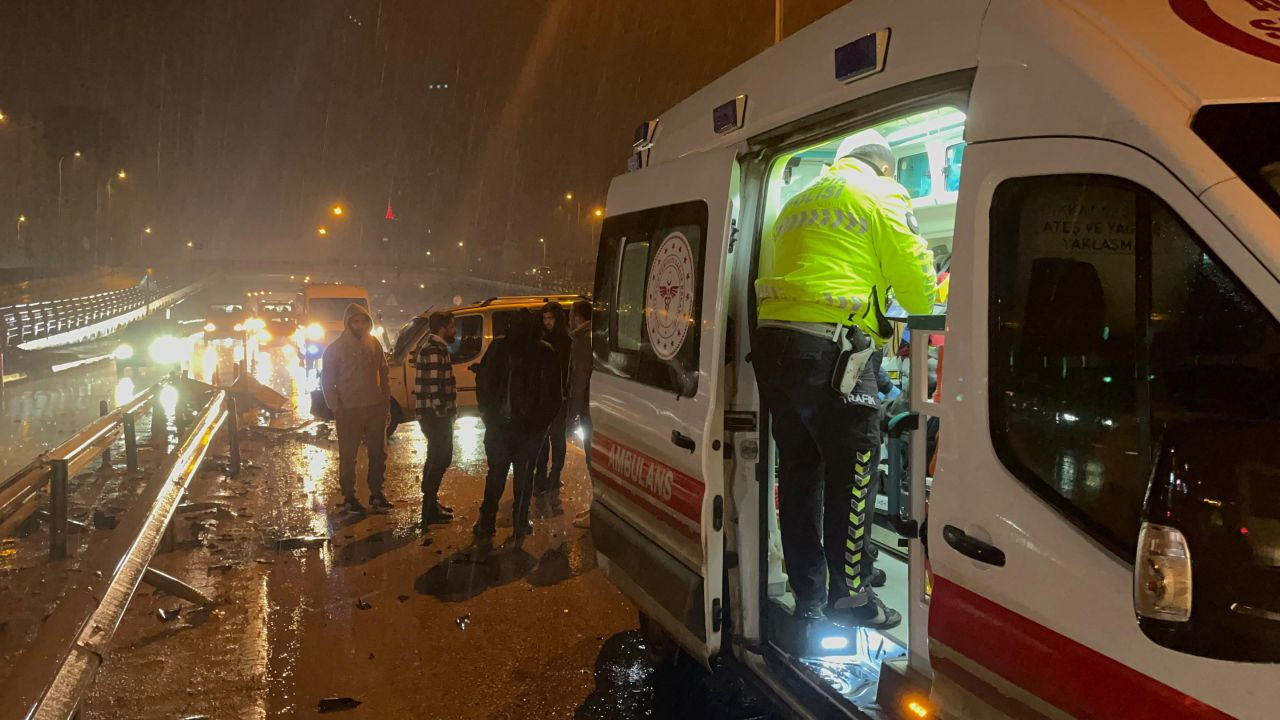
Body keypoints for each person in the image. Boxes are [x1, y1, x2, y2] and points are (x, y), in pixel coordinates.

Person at [752, 128, 937, 630]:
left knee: (799, 471)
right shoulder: (881, 192)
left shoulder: (796, 201)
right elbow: (920, 292)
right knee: (853, 471)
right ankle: (850, 597)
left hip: (774, 346)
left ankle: (811, 590)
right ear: (884, 166)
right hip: (834, 351)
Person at [473, 309, 563, 550]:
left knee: (497, 476)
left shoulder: (499, 349)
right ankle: (519, 524)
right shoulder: (544, 352)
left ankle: (487, 523)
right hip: (526, 430)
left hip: (505, 426)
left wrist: (488, 415)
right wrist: (541, 425)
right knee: (522, 477)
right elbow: (554, 396)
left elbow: (483, 384)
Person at [320, 303, 392, 514]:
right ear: (348, 323)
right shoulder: (335, 349)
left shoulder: (374, 344)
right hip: (349, 409)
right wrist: (335, 406)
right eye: (355, 321)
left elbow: (384, 373)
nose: (359, 325)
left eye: (363, 321)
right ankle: (349, 496)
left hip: (374, 407)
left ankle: (376, 493)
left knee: (378, 453)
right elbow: (327, 380)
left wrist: (385, 403)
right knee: (348, 455)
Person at [415, 311, 458, 532]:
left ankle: (431, 503)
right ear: (443, 327)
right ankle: (429, 507)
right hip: (434, 415)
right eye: (452, 326)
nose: (455, 331)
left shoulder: (437, 346)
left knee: (436, 456)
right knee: (441, 456)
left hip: (433, 414)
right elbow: (434, 386)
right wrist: (443, 412)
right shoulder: (433, 349)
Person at [533, 302, 572, 518]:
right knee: (542, 441)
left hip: (558, 398)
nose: (547, 323)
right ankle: (541, 478)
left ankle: (554, 475)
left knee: (557, 438)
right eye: (545, 319)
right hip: (542, 399)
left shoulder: (565, 342)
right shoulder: (540, 341)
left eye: (551, 319)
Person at [566, 299, 594, 529]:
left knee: (592, 459)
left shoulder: (581, 341)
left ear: (577, 317)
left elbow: (580, 379)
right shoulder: (593, 337)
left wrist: (572, 414)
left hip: (587, 407)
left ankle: (595, 511)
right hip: (592, 405)